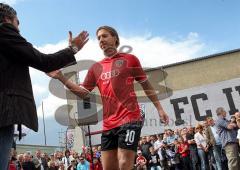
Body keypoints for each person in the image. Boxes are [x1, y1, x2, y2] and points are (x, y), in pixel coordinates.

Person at [47, 25, 169, 170]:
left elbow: (146, 85)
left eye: (105, 36)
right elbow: (83, 93)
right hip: (109, 124)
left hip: (130, 119)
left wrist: (160, 109)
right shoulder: (95, 68)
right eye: (99, 38)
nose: (101, 40)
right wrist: (61, 77)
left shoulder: (130, 59)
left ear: (115, 39)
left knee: (124, 163)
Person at [0, 3, 89, 170]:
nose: (18, 28)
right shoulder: (4, 31)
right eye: (17, 22)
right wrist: (73, 48)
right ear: (7, 19)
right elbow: (44, 61)